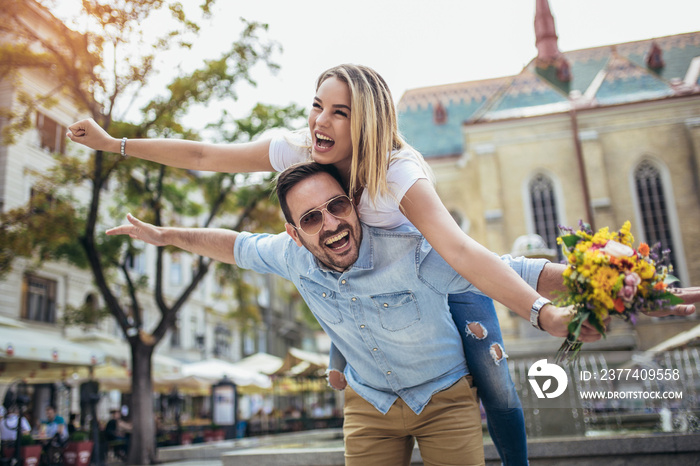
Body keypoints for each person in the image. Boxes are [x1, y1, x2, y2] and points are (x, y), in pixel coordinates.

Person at [67, 64, 698, 465]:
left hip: (440, 281)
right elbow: (206, 156)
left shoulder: (397, 174)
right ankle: (347, 357)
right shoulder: (296, 155)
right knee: (333, 285)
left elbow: (463, 252)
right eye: (318, 104)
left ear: (366, 123)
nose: (321, 120)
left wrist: (548, 310)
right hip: (359, 310)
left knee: (500, 390)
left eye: (339, 112)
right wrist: (115, 143)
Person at [106, 161, 612, 465]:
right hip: (369, 407)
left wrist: (613, 281)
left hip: (445, 399)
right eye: (310, 218)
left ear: (352, 202)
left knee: (501, 391)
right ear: (294, 233)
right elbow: (231, 244)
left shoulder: (411, 252)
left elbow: (512, 269)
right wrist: (165, 235)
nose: (331, 224)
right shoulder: (289, 258)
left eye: (337, 207)